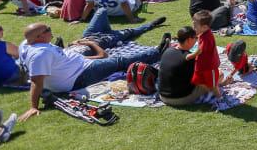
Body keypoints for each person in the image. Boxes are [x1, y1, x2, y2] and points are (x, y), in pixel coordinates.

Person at [17, 22, 159, 120]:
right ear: (39, 37)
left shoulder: (27, 44)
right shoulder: (40, 55)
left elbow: (23, 66)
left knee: (109, 54)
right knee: (118, 62)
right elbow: (36, 81)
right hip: (79, 75)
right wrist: (33, 107)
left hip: (79, 62)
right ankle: (157, 53)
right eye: (47, 29)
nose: (50, 29)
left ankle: (149, 33)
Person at [187, 10, 221, 99]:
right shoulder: (202, 33)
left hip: (209, 66)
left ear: (205, 26)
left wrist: (190, 56)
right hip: (201, 64)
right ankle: (210, 91)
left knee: (213, 84)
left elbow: (199, 51)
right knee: (197, 81)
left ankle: (219, 98)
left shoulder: (207, 36)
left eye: (195, 26)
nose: (193, 28)